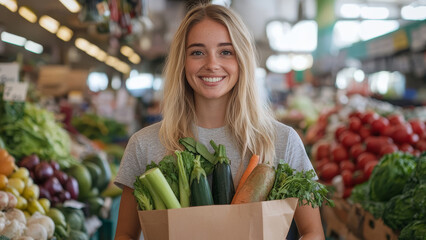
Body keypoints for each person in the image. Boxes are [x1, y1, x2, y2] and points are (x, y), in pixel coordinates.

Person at [114, 3, 324, 240]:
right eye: (197, 52)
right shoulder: (145, 144)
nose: (212, 64)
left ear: (241, 59)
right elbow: (125, 235)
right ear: (182, 62)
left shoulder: (282, 140)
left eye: (226, 51)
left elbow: (313, 233)